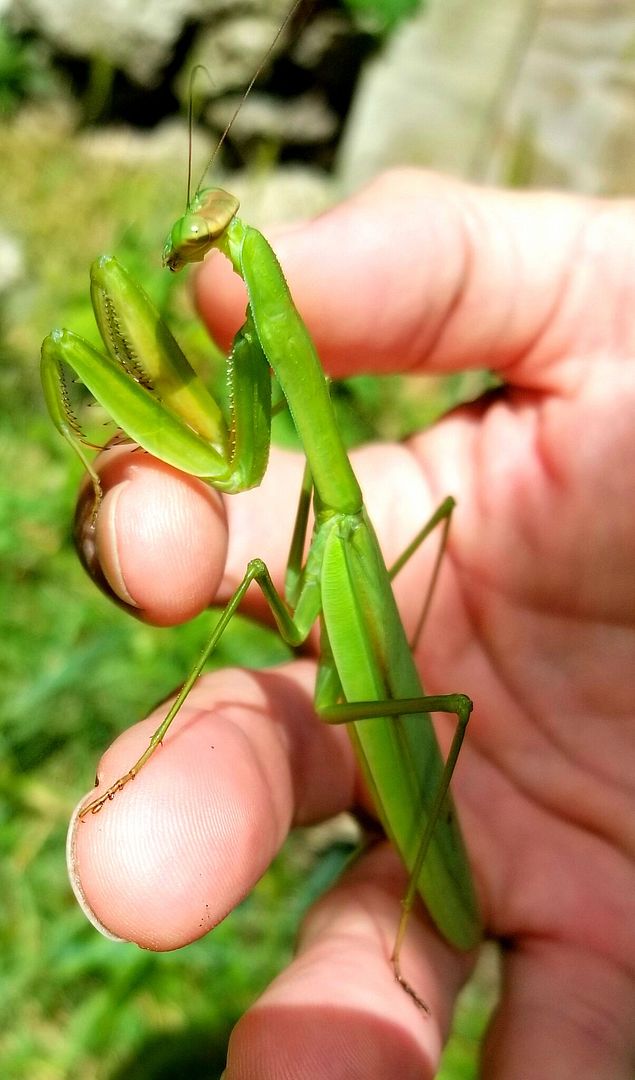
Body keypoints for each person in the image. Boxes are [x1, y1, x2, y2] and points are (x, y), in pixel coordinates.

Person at [68, 170, 635, 1078]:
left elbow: (234, 464)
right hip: (341, 534)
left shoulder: (268, 327)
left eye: (209, 236)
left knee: (290, 592)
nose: (196, 244)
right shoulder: (266, 323)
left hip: (369, 635)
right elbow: (247, 456)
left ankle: (413, 905)